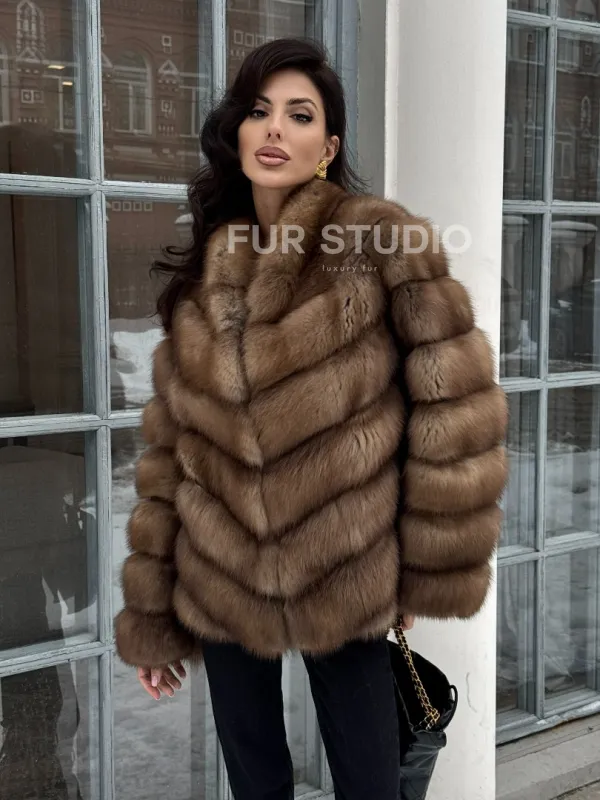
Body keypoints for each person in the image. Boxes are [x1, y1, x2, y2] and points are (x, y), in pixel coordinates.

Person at [114, 37, 508, 800]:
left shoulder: (380, 241)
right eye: (258, 111)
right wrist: (154, 614)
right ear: (236, 132)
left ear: (328, 147)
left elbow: (454, 408)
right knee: (255, 783)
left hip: (344, 570)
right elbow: (169, 455)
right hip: (222, 576)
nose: (274, 128)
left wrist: (421, 569)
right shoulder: (211, 269)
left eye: (299, 115)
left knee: (371, 782)